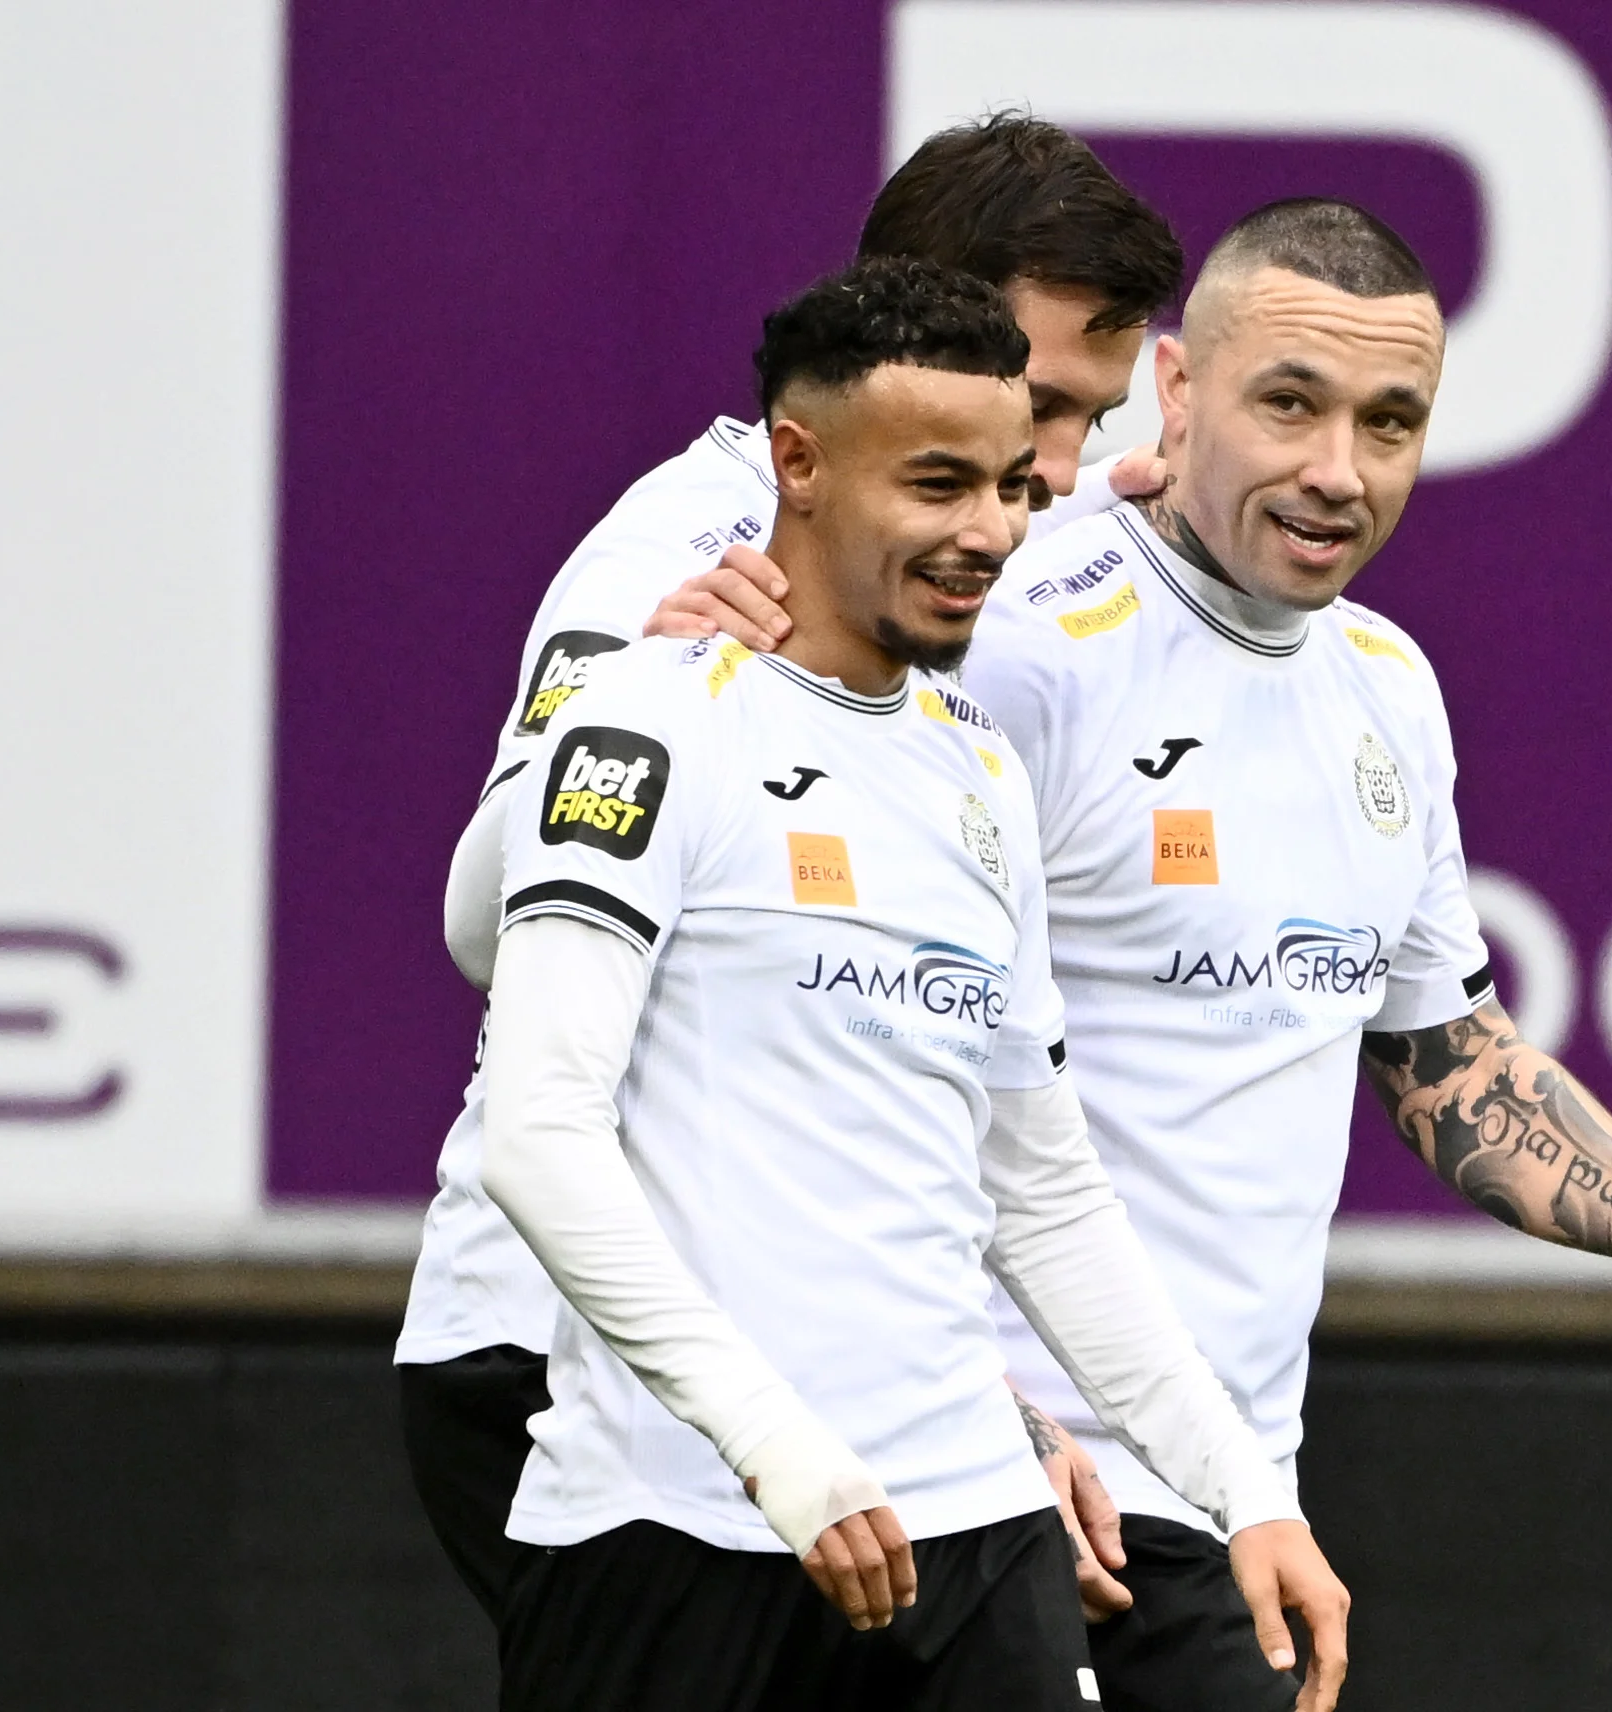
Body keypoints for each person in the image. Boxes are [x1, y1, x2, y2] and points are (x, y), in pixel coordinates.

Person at [646, 199, 1612, 1712]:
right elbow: (811, 1049)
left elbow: (1446, 1060)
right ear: (1173, 392)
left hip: (1223, 1501)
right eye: (1289, 403)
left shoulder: (1388, 693)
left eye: (1390, 422)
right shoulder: (1009, 647)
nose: (1337, 472)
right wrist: (989, 1406)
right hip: (980, 1487)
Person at [480, 254, 1346, 1711]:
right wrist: (783, 1453)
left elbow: (1046, 1197)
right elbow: (539, 1139)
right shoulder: (641, 722)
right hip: (678, 1530)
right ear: (800, 463)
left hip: (968, 1537)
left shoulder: (979, 774)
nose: (990, 532)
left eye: (1011, 485)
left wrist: (1241, 1490)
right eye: (938, 485)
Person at [396, 115, 1180, 1631]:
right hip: (564, 1352)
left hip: (821, 1374)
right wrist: (643, 684)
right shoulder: (677, 555)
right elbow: (477, 920)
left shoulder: (995, 544)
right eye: (1050, 403)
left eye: (1093, 419)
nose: (1068, 466)